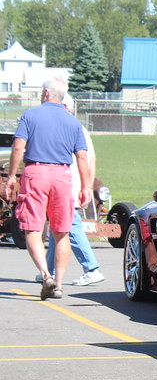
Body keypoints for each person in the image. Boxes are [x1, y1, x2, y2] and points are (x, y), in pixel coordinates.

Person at [3, 77, 91, 300]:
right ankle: (59, 284)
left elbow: (18, 147)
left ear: (45, 94)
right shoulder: (73, 122)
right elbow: (82, 156)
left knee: (33, 228)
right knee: (62, 232)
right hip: (63, 175)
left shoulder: (31, 115)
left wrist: (12, 176)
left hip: (36, 172)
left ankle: (45, 275)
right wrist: (86, 186)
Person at [41, 94, 104, 286]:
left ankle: (92, 268)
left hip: (69, 183)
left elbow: (87, 159)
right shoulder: (76, 127)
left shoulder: (71, 127)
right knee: (57, 226)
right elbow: (91, 159)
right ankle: (48, 270)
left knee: (71, 225)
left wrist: (87, 185)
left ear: (65, 107)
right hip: (68, 183)